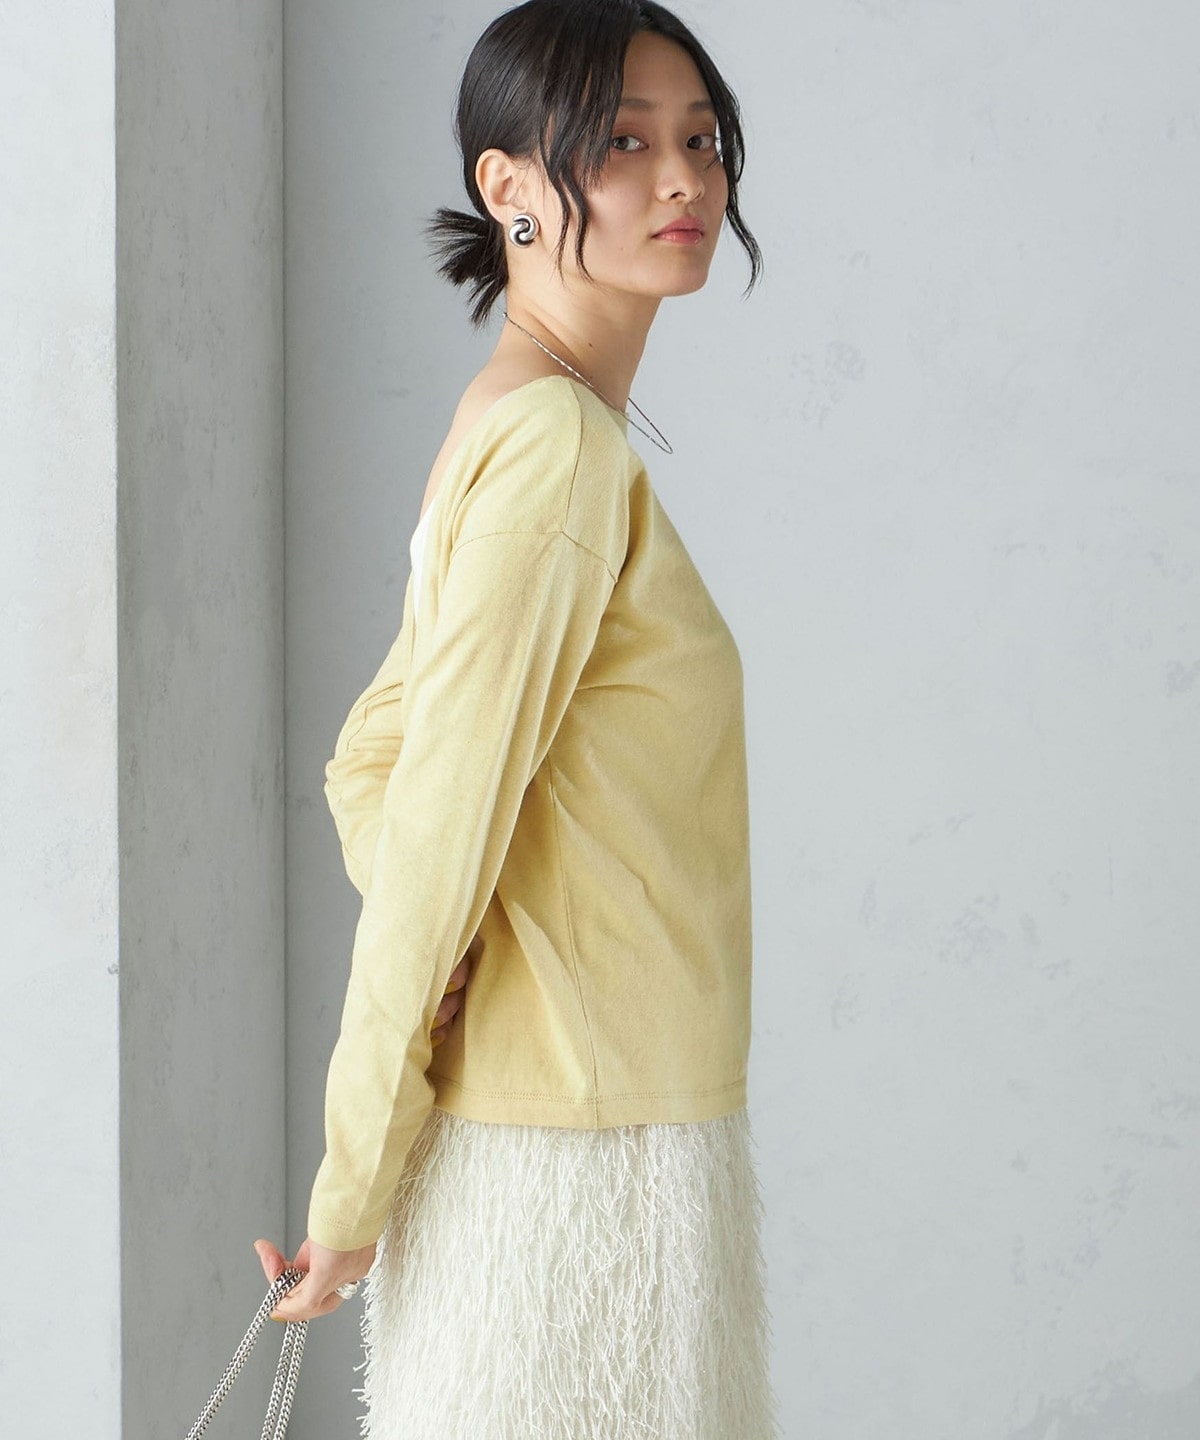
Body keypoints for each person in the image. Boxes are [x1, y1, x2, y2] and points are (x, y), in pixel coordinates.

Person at [254, 0, 778, 1433]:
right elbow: (434, 825)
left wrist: (483, 959)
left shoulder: (521, 414)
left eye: (701, 140)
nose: (681, 179)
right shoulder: (553, 450)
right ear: (509, 187)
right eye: (621, 144)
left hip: (572, 1126)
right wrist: (352, 1186)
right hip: (589, 1161)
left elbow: (372, 754)